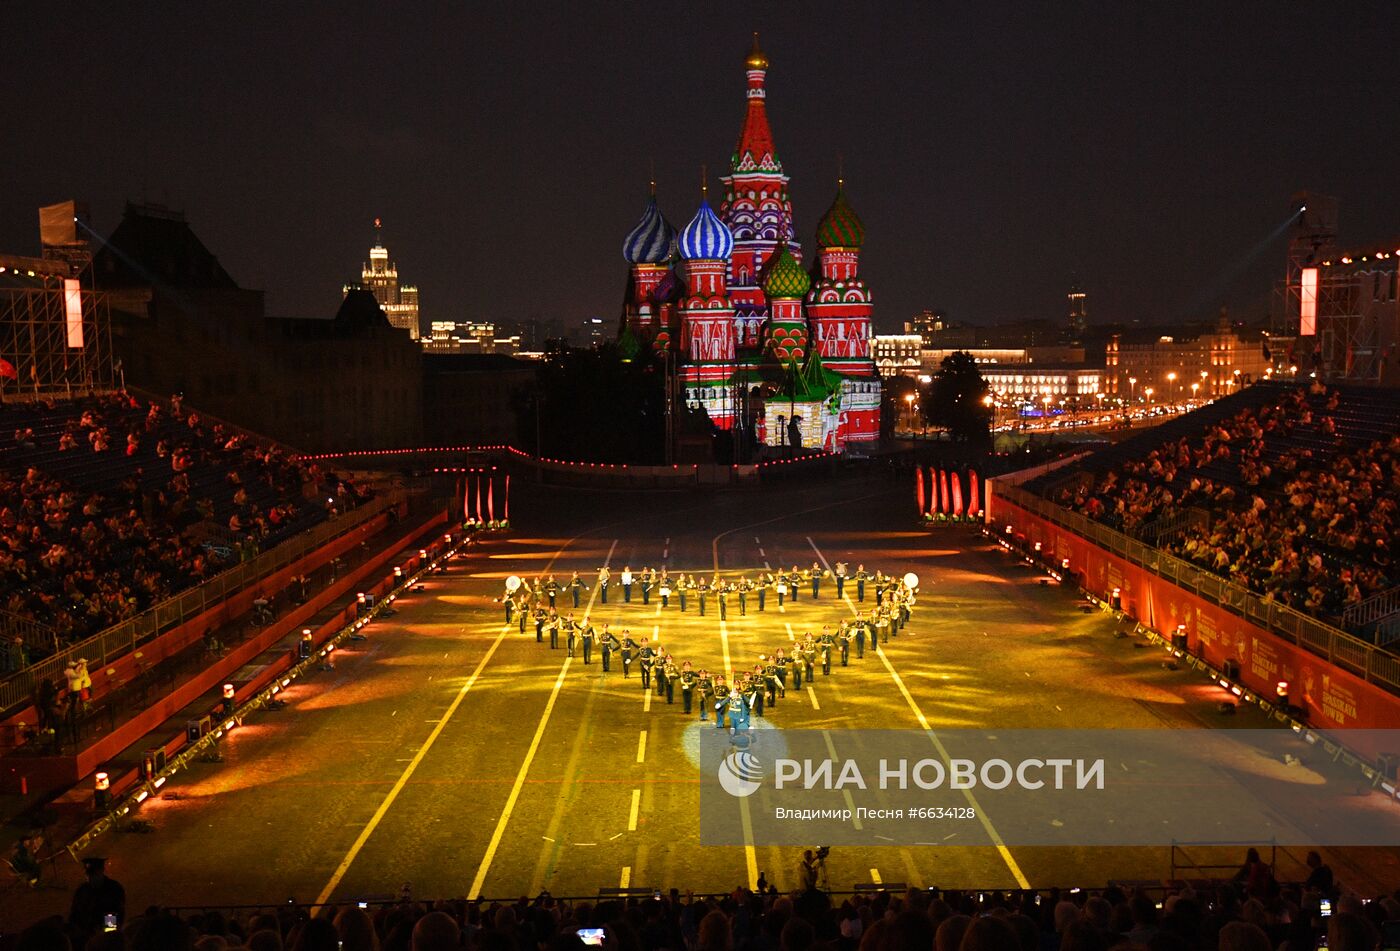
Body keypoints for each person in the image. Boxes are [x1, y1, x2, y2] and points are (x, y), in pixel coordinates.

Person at [69, 856, 125, 938]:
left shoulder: (113, 889)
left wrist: (107, 934)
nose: (91, 878)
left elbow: (115, 912)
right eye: (88, 875)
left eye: (94, 874)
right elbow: (75, 912)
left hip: (105, 934)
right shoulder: (82, 890)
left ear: (101, 871)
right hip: (85, 934)